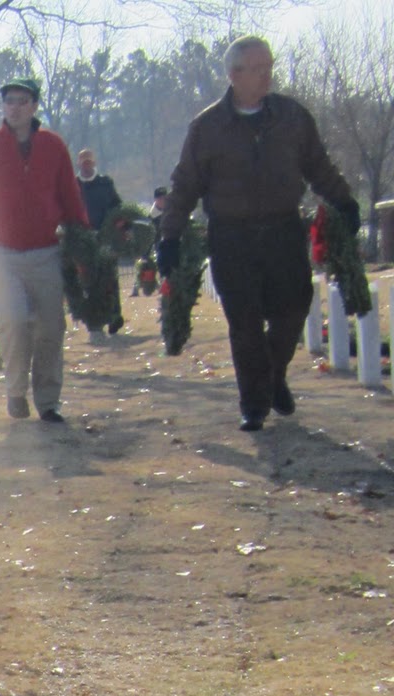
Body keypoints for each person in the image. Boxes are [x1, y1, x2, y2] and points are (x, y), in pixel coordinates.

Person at [158, 35, 358, 433]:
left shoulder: (292, 117)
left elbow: (319, 166)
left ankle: (272, 376)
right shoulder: (208, 127)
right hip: (232, 236)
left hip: (284, 230)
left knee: (294, 307)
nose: (268, 75)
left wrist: (345, 202)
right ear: (234, 75)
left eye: (269, 66)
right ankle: (254, 404)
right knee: (244, 322)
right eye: (258, 68)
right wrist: (170, 236)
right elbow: (185, 185)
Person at [0, 76, 89, 423]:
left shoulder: (52, 146)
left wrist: (82, 239)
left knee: (51, 327)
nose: (14, 108)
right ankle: (16, 391)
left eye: (21, 101)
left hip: (45, 250)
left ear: (34, 106)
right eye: (8, 101)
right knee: (14, 321)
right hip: (2, 253)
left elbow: (69, 196)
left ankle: (48, 400)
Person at [76, 149, 125, 343]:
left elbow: (116, 206)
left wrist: (118, 225)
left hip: (105, 238)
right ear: (79, 164)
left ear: (94, 163)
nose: (87, 165)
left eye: (90, 162)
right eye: (84, 162)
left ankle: (114, 316)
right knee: (87, 281)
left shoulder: (105, 183)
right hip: (83, 240)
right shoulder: (73, 185)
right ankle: (94, 323)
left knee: (109, 279)